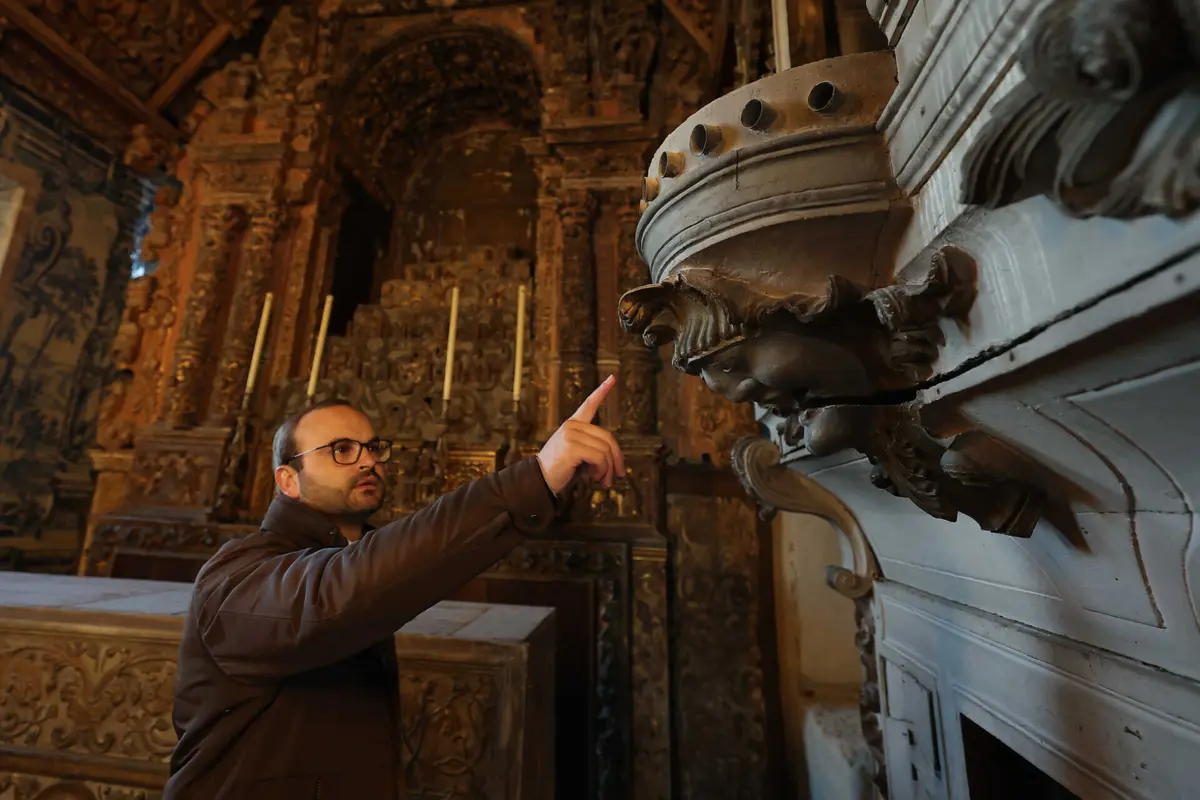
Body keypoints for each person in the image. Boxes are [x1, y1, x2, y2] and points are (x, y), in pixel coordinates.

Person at [164, 376, 625, 799]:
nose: (368, 460)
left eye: (372, 447)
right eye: (341, 449)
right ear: (288, 480)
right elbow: (335, 590)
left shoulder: (361, 558)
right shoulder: (236, 573)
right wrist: (535, 477)